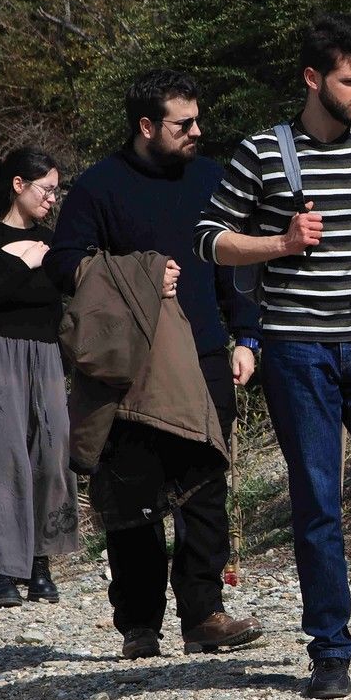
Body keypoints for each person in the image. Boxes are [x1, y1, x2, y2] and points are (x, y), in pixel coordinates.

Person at [195, 13, 351, 698]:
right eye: (350, 79)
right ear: (313, 79)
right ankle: (329, 649)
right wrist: (280, 242)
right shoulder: (263, 154)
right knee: (317, 501)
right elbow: (209, 240)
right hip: (297, 350)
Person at [45, 68, 264, 659]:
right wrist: (139, 272)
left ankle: (205, 614)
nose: (198, 130)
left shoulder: (214, 179)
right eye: (183, 123)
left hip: (205, 355)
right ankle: (139, 625)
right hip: (132, 364)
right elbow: (65, 264)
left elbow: (235, 265)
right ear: (146, 126)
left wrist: (247, 336)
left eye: (198, 119)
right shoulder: (98, 189)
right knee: (134, 497)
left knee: (205, 487)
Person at [0, 147, 79, 609]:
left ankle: (40, 562)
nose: (52, 199)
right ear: (18, 185)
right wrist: (21, 261)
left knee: (52, 453)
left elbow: (64, 292)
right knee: (0, 457)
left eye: (56, 191)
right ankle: (1, 571)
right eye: (46, 189)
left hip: (45, 355)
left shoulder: (52, 241)